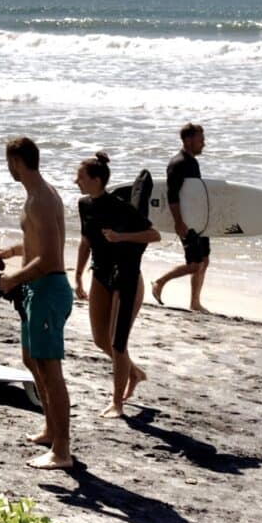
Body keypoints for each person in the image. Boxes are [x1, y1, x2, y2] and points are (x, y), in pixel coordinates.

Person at [0, 136, 72, 469]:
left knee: (51, 371)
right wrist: (15, 252)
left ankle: (61, 451)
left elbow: (49, 258)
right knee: (31, 361)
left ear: (16, 162)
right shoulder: (37, 195)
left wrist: (10, 280)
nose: (8, 168)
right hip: (37, 289)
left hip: (48, 289)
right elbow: (41, 243)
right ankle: (50, 428)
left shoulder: (40, 200)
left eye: (9, 162)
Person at [72, 150, 159, 417]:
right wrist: (77, 275)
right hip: (100, 275)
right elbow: (86, 241)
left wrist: (121, 237)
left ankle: (117, 403)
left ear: (96, 180)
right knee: (101, 340)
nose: (76, 181)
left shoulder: (121, 208)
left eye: (80, 177)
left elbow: (153, 235)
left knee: (117, 343)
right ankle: (133, 373)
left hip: (127, 278)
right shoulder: (84, 204)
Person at [153, 121, 208, 311]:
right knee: (194, 264)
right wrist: (179, 222)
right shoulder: (179, 163)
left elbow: (193, 193)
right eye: (201, 140)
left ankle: (195, 302)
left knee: (205, 260)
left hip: (198, 220)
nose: (204, 144)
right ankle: (160, 282)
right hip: (187, 221)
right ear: (188, 140)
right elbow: (172, 194)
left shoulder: (191, 162)